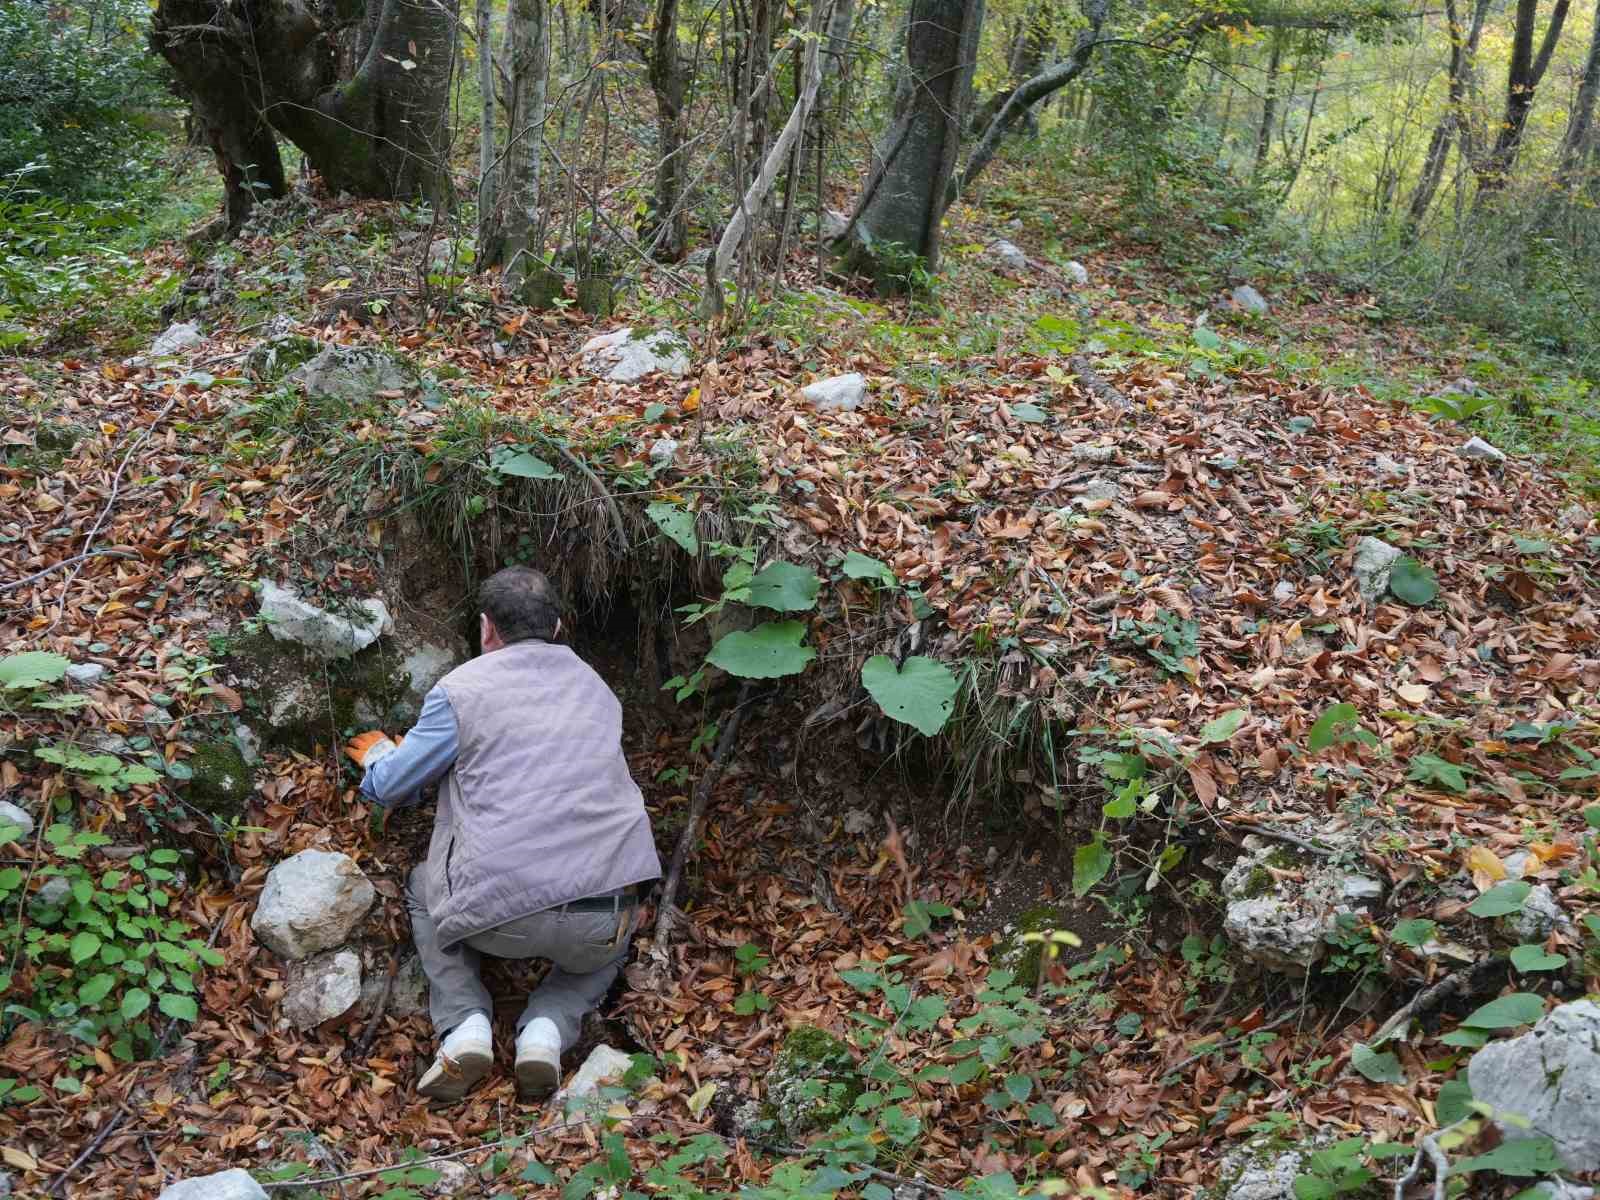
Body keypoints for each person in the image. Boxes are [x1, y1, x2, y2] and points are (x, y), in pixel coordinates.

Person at [344, 566, 660, 1103]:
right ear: (558, 626)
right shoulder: (598, 688)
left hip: (497, 917)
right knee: (608, 949)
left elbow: (392, 787)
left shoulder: (460, 690)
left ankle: (465, 1024)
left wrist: (379, 757)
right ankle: (546, 1031)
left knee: (423, 886)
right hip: (601, 915)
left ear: (487, 628)